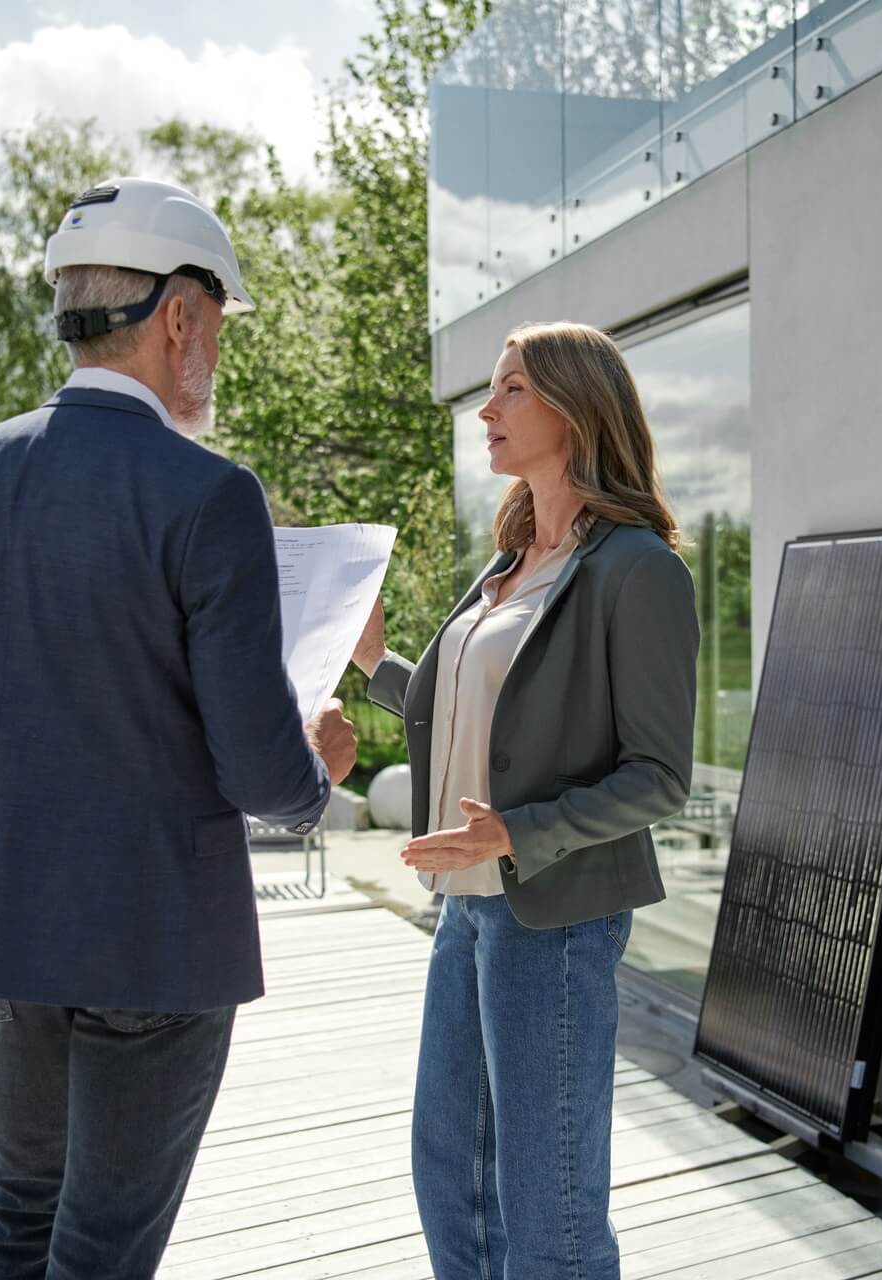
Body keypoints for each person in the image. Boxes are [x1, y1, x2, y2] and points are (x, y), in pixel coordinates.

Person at [0, 175, 358, 1280]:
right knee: (100, 1248)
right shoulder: (207, 495)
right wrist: (314, 769)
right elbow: (259, 770)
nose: (219, 352)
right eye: (221, 323)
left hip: (2, 924)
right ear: (179, 314)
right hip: (152, 935)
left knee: (19, 1212)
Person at [352, 321, 700, 1279]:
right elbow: (468, 711)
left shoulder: (639, 570)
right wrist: (375, 660)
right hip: (466, 917)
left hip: (556, 921)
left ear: (574, 405)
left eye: (510, 390)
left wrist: (517, 833)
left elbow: (660, 776)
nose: (486, 410)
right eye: (491, 391)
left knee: (548, 1210)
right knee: (450, 1180)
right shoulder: (507, 566)